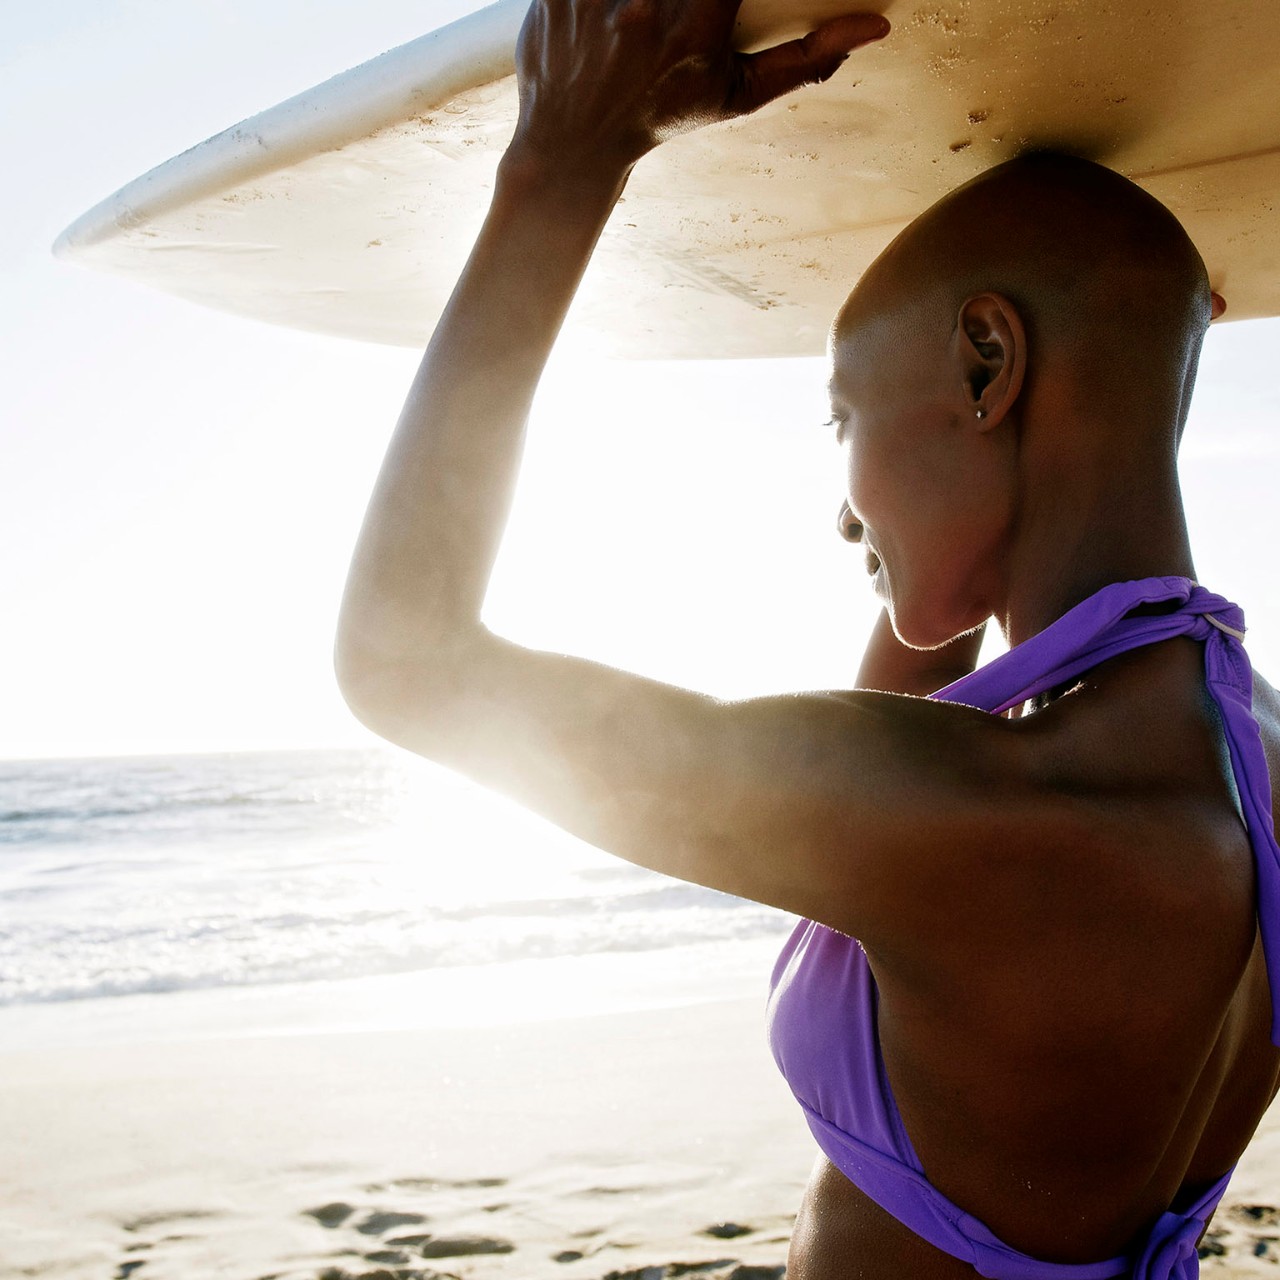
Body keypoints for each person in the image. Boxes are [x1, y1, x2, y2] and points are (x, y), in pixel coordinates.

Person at [333, 1, 1280, 1275]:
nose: (842, 509)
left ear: (985, 364)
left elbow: (407, 661)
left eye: (841, 418)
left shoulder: (989, 821)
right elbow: (922, 695)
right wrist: (1121, 388)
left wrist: (565, 159)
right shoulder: (1241, 759)